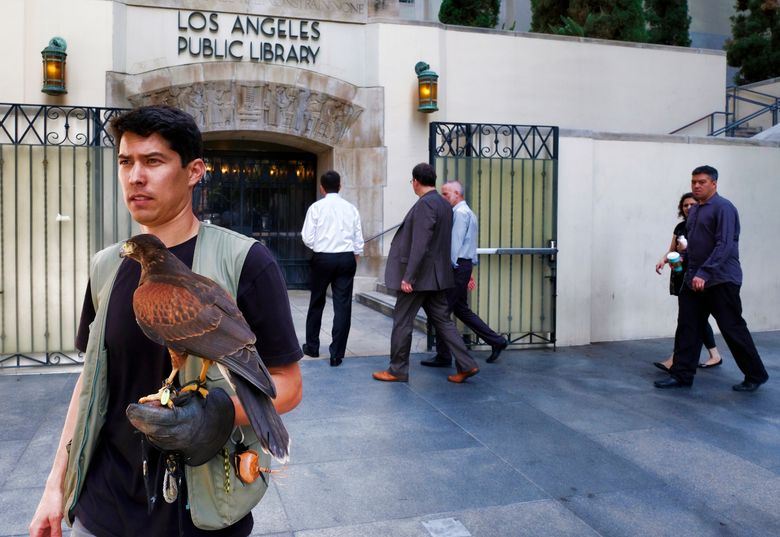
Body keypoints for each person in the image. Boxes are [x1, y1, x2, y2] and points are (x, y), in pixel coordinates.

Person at [29, 105, 303, 537]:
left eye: (152, 161)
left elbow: (287, 386)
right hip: (102, 509)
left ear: (194, 171)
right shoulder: (107, 266)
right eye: (126, 162)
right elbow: (90, 384)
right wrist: (55, 486)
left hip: (202, 513)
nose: (135, 176)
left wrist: (217, 415)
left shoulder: (246, 261)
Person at [654, 165, 769, 391]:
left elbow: (724, 245)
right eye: (694, 182)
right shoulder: (695, 211)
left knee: (732, 328)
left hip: (721, 280)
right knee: (687, 327)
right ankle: (681, 375)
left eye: (702, 182)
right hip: (693, 280)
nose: (696, 185)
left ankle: (755, 375)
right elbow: (693, 244)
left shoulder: (724, 208)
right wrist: (675, 257)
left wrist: (705, 273)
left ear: (714, 184)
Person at [373, 163, 480, 384]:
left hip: (419, 278)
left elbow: (421, 244)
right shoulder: (444, 204)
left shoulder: (425, 205)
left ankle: (397, 370)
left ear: (415, 181)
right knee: (444, 322)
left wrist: (408, 277)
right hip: (437, 277)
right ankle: (467, 364)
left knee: (402, 321)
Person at [420, 180, 508, 368]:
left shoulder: (459, 214)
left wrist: (449, 268)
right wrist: (469, 270)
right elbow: (470, 246)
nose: (443, 197)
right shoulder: (468, 213)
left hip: (456, 267)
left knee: (441, 313)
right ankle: (497, 341)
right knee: (460, 310)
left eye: (446, 194)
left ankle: (444, 356)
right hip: (463, 266)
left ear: (457, 194)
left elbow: (455, 244)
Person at [301, 170, 364, 366]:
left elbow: (307, 237)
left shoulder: (316, 208)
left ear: (322, 188)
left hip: (323, 258)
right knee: (343, 305)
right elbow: (358, 239)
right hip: (346, 258)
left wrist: (320, 246)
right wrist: (353, 257)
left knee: (317, 302)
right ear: (340, 186)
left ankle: (312, 347)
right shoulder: (351, 208)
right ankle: (337, 354)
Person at [653, 192, 722, 371]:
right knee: (693, 318)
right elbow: (672, 250)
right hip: (681, 274)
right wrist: (664, 259)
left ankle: (676, 359)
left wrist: (688, 249)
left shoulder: (705, 225)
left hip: (700, 276)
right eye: (685, 205)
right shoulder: (680, 227)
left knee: (690, 318)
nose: (688, 208)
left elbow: (709, 250)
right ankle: (714, 355)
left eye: (692, 204)